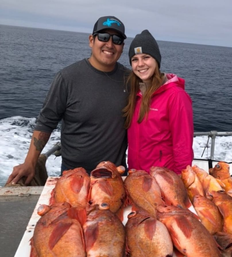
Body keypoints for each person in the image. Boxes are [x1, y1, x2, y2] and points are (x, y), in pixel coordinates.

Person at [7, 15, 130, 186]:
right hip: (73, 178)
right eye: (103, 37)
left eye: (116, 39)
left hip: (115, 177)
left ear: (122, 47)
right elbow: (46, 122)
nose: (109, 44)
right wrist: (30, 162)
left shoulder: (130, 80)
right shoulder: (67, 78)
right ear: (91, 40)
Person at [123, 29, 194, 174]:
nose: (140, 64)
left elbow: (183, 146)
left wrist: (181, 182)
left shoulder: (176, 96)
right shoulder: (135, 94)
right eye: (135, 59)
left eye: (146, 57)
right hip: (137, 178)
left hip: (163, 180)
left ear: (156, 60)